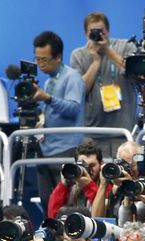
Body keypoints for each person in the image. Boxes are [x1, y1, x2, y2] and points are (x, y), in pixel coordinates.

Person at [70, 12, 137, 157]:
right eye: (92, 32)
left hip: (123, 129)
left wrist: (108, 51)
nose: (98, 36)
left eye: (101, 32)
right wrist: (95, 62)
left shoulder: (125, 47)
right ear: (85, 34)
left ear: (108, 31)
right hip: (93, 132)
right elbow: (81, 90)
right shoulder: (78, 55)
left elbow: (134, 74)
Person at [32, 30, 86, 213]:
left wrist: (48, 99)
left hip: (66, 148)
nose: (40, 64)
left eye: (44, 60)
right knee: (49, 202)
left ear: (58, 57)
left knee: (67, 204)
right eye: (37, 59)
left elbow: (74, 108)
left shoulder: (72, 77)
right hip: (47, 149)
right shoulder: (48, 82)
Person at [47, 141, 104, 219]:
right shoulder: (71, 185)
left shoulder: (105, 184)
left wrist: (89, 186)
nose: (88, 170)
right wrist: (62, 186)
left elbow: (101, 215)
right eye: (83, 165)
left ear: (101, 163)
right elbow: (53, 216)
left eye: (92, 165)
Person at [91, 140, 139, 219]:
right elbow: (96, 218)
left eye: (129, 165)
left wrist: (129, 187)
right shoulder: (114, 188)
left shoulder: (143, 187)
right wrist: (103, 183)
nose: (124, 168)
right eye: (121, 163)